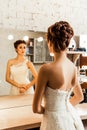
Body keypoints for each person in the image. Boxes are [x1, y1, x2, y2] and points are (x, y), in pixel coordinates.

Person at [33, 21, 84, 130]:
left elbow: (36, 108)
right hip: (69, 118)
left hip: (53, 121)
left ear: (50, 42)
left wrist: (52, 110)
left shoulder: (45, 69)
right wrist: (62, 108)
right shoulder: (73, 67)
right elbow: (79, 97)